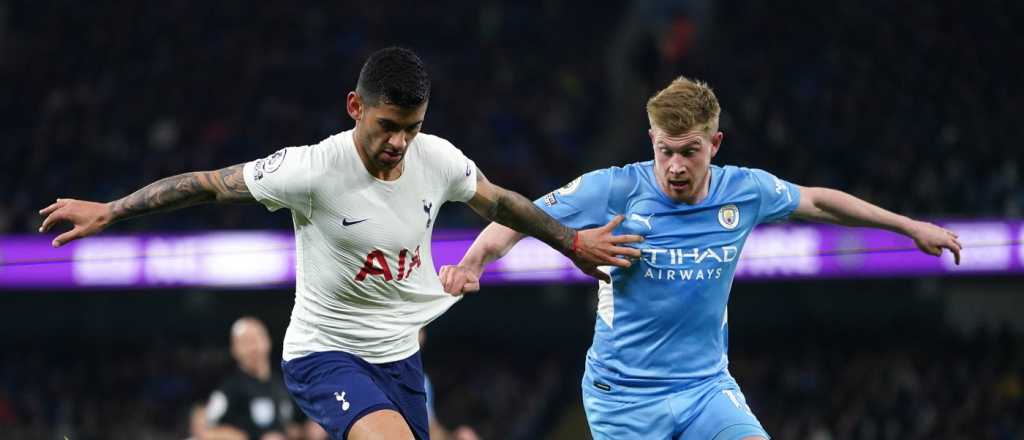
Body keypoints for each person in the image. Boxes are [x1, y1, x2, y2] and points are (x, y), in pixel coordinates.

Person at [37, 47, 641, 439]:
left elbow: (500, 202)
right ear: (356, 107)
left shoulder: (437, 160)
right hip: (323, 353)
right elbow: (207, 185)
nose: (400, 143)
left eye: (413, 128)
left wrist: (571, 243)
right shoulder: (311, 169)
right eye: (387, 127)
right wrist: (111, 211)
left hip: (400, 358)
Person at [439, 76, 963, 439]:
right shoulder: (617, 187)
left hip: (705, 387)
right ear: (651, 140)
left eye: (689, 151)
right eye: (664, 150)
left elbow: (819, 200)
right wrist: (474, 263)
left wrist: (909, 226)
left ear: (716, 143)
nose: (674, 166)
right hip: (624, 396)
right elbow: (520, 215)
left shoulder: (744, 191)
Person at [204, 317, 294, 440]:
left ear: (268, 341)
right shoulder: (229, 389)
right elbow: (208, 431)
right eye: (246, 342)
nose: (254, 347)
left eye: (257, 339)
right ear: (234, 350)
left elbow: (293, 426)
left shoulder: (284, 385)